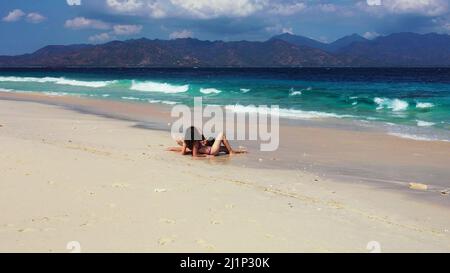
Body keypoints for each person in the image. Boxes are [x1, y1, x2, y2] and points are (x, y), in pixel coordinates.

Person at [168, 126, 247, 157]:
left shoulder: (186, 141)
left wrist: (172, 149)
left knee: (226, 149)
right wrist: (206, 156)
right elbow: (195, 155)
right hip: (212, 151)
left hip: (210, 149)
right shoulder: (195, 142)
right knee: (221, 134)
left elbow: (183, 152)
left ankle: (240, 151)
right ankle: (232, 152)